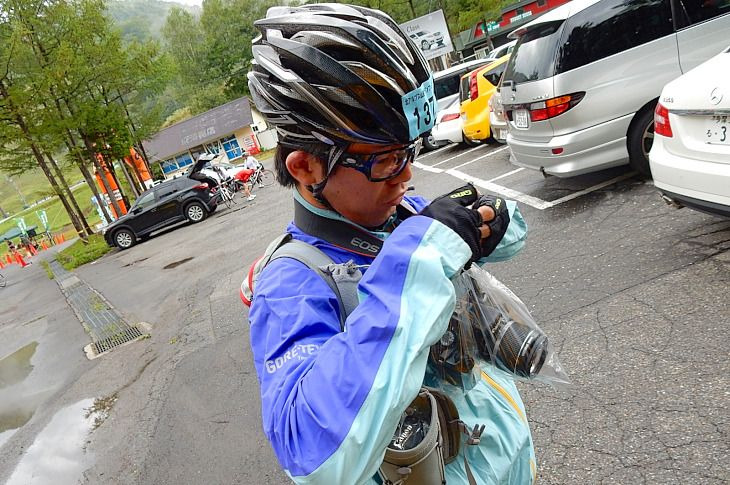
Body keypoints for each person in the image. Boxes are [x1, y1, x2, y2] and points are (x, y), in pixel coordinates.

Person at [244, 4, 535, 484]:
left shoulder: (398, 214)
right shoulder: (289, 286)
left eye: (409, 153)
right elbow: (311, 451)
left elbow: (502, 238)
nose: (407, 176)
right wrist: (417, 263)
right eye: (385, 160)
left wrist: (491, 223)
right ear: (306, 168)